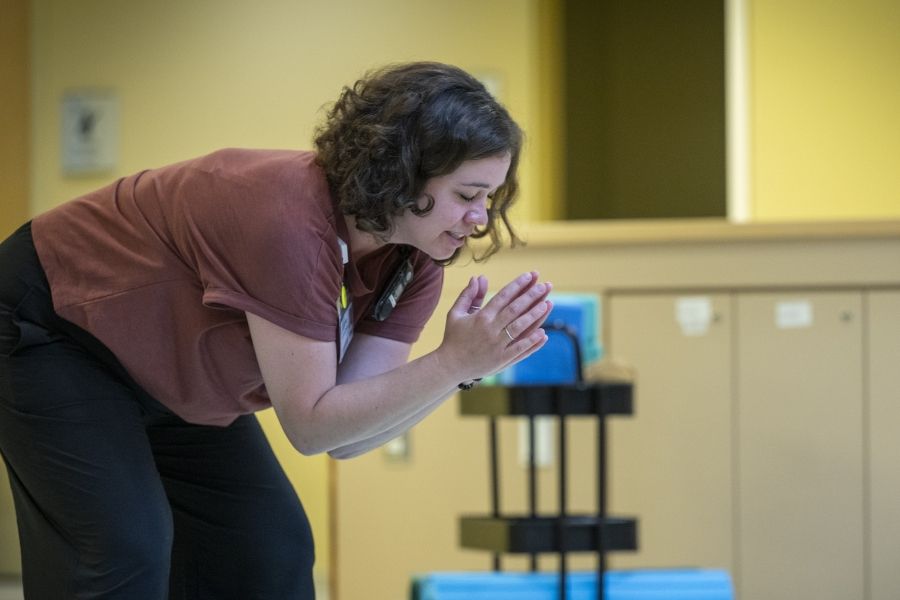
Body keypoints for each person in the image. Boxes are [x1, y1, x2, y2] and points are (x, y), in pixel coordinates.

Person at [0, 61, 552, 599]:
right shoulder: (288, 219)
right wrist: (453, 363)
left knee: (270, 548)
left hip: (164, 371)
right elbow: (310, 426)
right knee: (121, 552)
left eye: (490, 198)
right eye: (466, 195)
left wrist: (462, 370)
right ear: (403, 173)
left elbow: (348, 436)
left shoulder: (413, 262)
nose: (480, 219)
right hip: (53, 328)